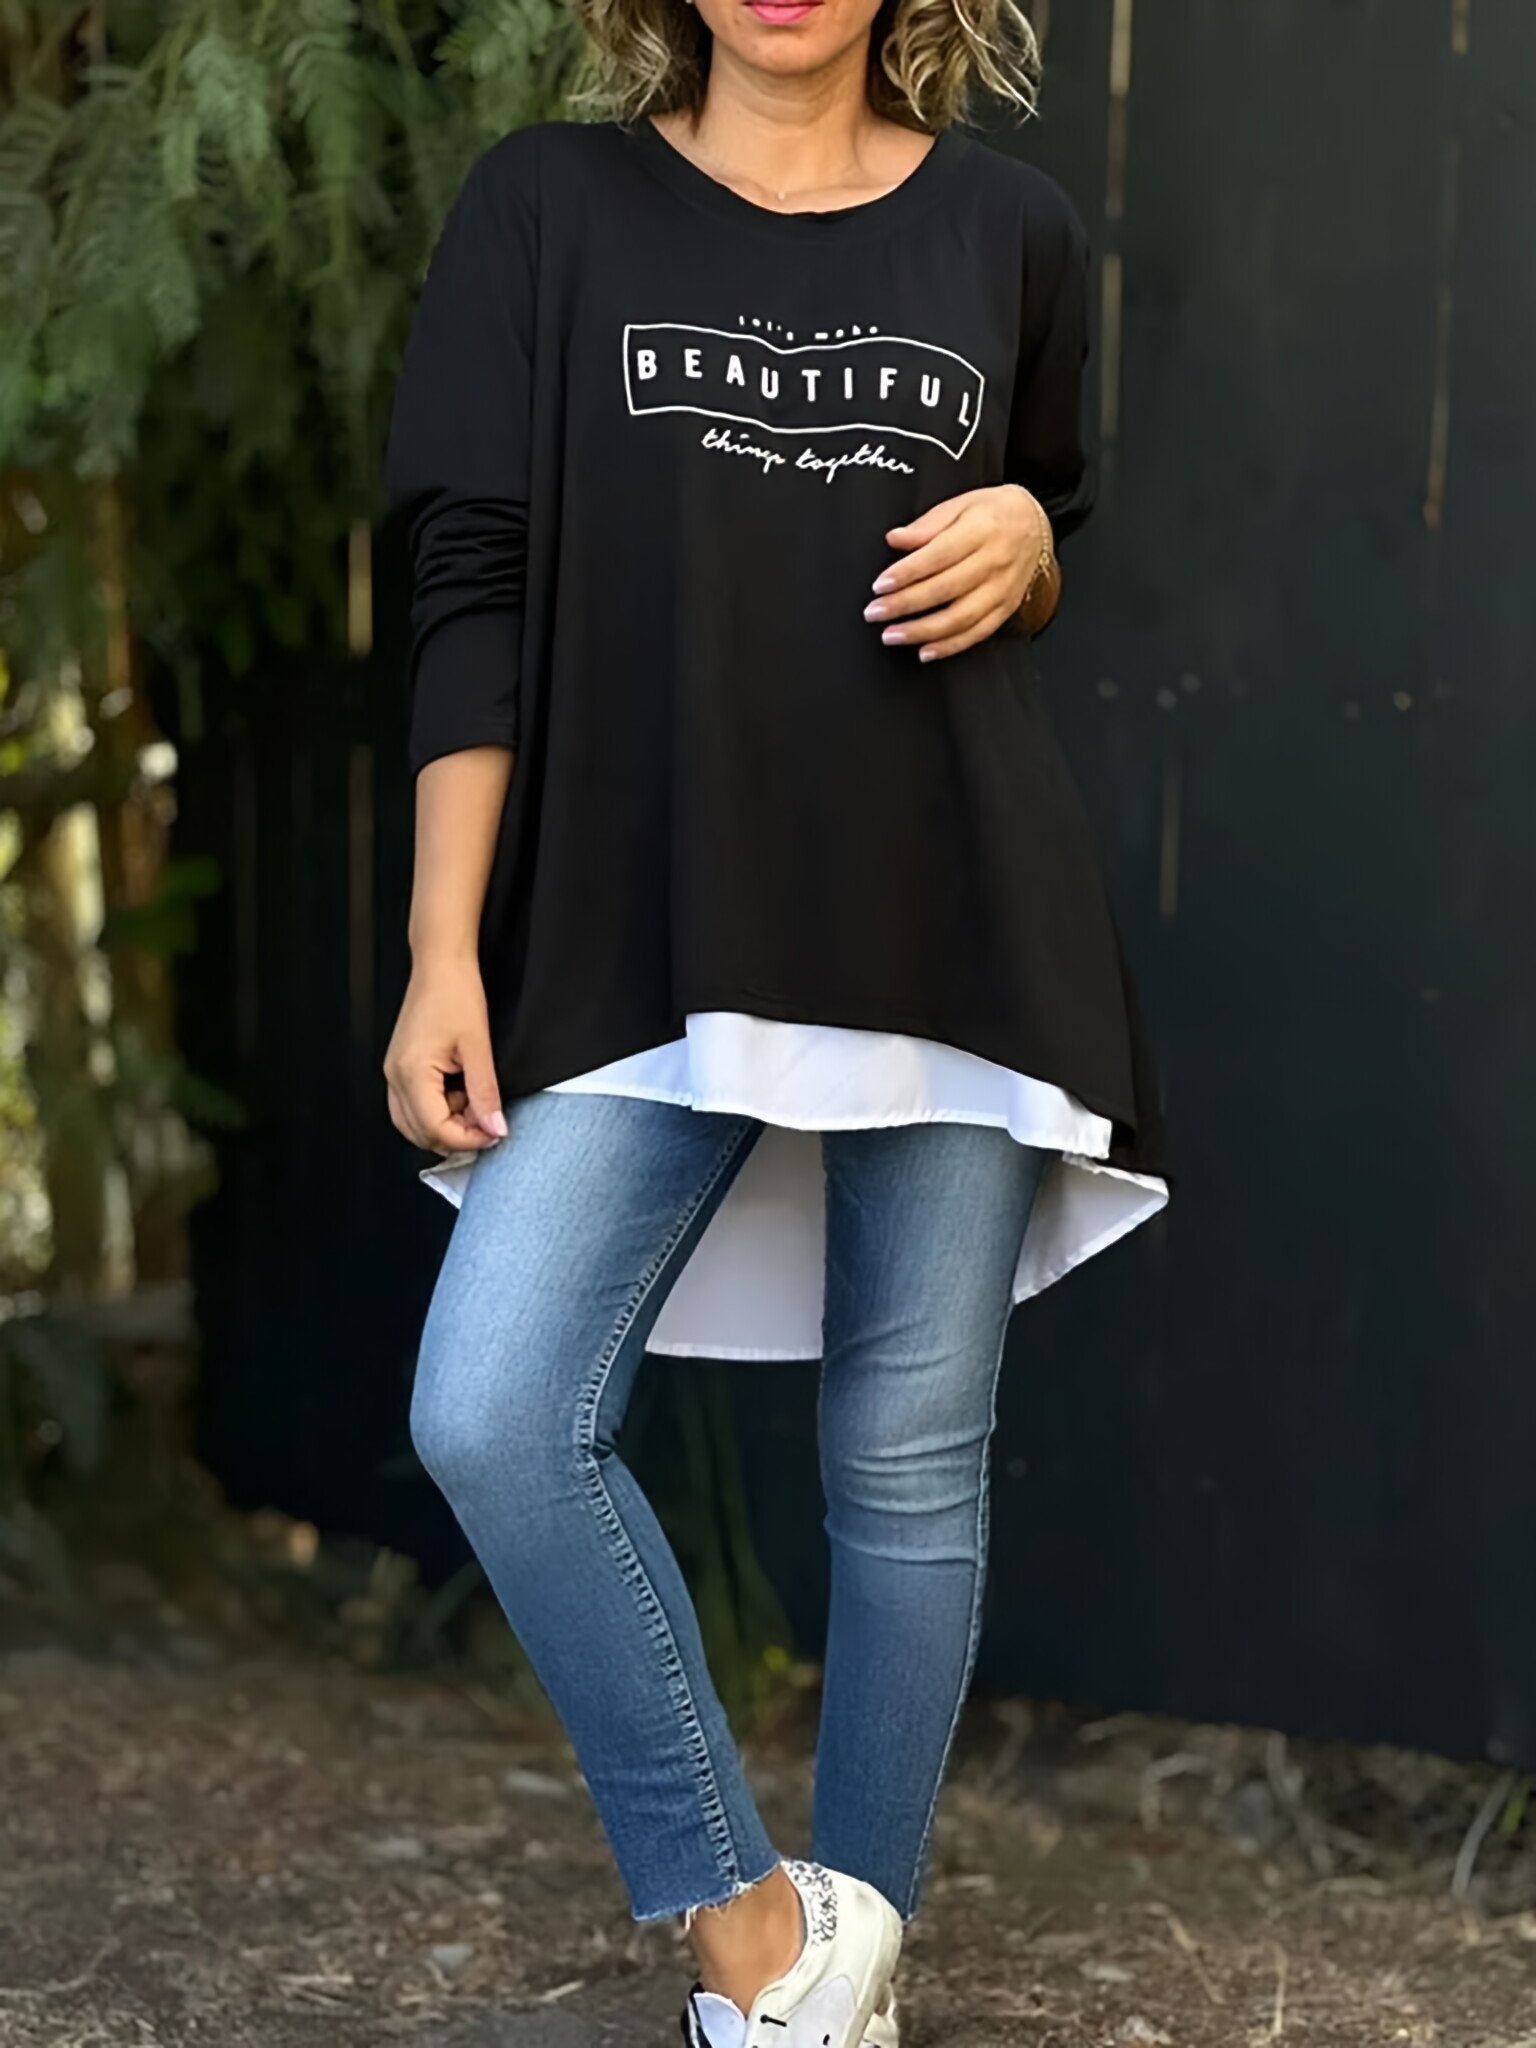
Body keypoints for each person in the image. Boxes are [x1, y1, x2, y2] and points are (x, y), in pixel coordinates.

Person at [383, 0, 1167, 2035]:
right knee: (495, 1407)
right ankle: (756, 1933)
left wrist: (1030, 542)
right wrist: (446, 944)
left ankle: (836, 2000)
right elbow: (472, 579)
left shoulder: (1011, 228)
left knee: (908, 1466)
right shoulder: (546, 208)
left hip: (951, 911)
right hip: (642, 917)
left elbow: (1042, 507)